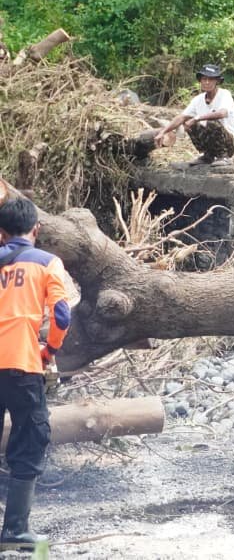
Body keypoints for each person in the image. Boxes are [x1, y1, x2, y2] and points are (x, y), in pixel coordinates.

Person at [0, 197, 71, 551]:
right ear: (36, 230)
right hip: (21, 365)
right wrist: (50, 350)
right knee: (29, 439)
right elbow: (61, 314)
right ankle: (14, 531)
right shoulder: (47, 262)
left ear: (1, 234)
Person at [153, 64, 234, 166]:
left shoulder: (224, 94)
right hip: (211, 144)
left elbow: (222, 113)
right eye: (204, 79)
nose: (207, 82)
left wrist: (197, 118)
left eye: (210, 79)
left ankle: (224, 156)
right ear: (200, 80)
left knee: (210, 122)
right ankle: (208, 155)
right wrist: (163, 132)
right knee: (188, 123)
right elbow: (181, 117)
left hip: (229, 145)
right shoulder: (198, 99)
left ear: (217, 81)